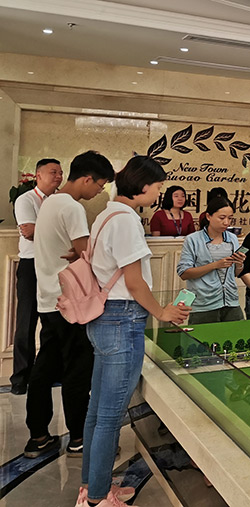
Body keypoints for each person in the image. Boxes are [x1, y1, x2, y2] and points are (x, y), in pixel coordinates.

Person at [79, 156, 191, 507]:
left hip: (104, 318)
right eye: (157, 186)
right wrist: (162, 312)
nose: (159, 193)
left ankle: (92, 485)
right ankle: (98, 498)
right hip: (122, 319)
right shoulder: (126, 220)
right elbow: (134, 281)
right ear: (142, 186)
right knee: (110, 415)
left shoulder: (106, 214)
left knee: (98, 410)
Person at [25, 151, 114, 459]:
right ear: (87, 179)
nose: (99, 191)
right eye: (100, 185)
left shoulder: (50, 202)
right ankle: (79, 437)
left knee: (44, 368)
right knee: (77, 370)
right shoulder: (72, 207)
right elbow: (87, 255)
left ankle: (38, 435)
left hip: (48, 300)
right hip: (71, 304)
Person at [11, 158, 64, 395]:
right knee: (26, 321)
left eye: (61, 172)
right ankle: (20, 378)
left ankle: (48, 372)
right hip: (31, 265)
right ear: (38, 175)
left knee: (53, 320)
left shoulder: (60, 201)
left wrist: (45, 230)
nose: (59, 176)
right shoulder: (26, 199)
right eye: (53, 172)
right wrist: (58, 231)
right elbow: (29, 232)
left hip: (54, 265)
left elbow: (42, 231)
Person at [177, 196, 245, 324]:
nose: (226, 222)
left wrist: (239, 263)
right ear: (208, 216)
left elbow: (235, 273)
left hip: (231, 301)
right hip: (204, 304)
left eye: (230, 218)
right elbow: (184, 273)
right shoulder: (193, 240)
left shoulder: (232, 238)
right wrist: (215, 265)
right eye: (222, 218)